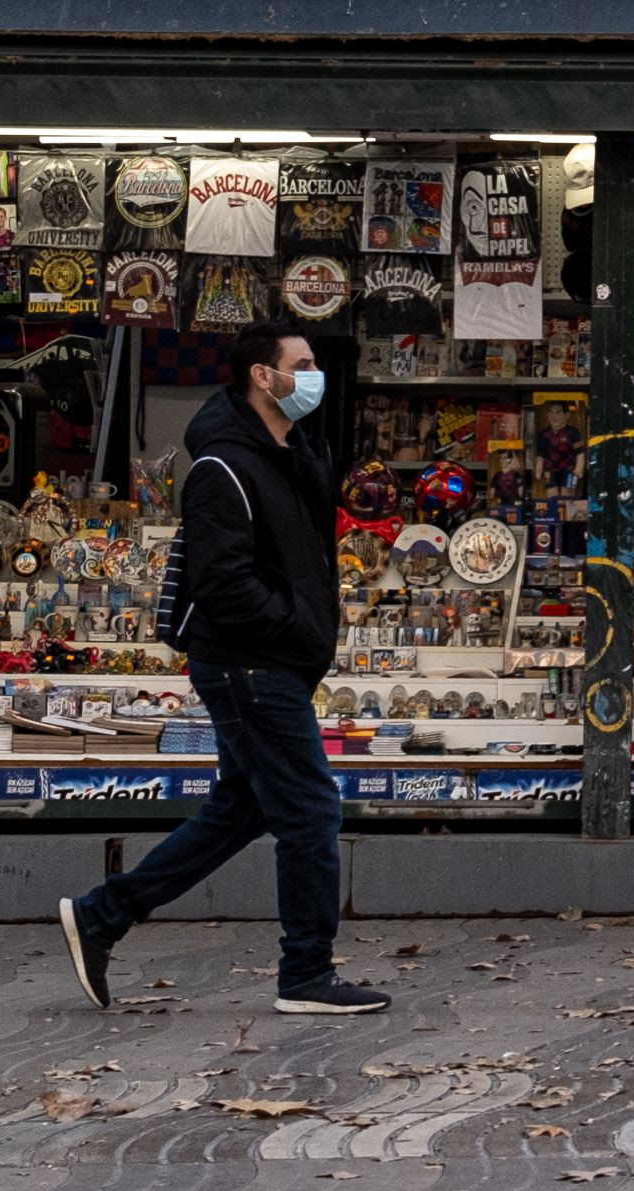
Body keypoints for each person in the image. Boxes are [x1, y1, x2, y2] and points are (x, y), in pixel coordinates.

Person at [58, 323, 387, 1016]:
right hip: (250, 665)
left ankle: (102, 916)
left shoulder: (294, 451)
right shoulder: (222, 468)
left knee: (241, 810)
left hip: (275, 662)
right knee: (310, 812)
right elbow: (225, 581)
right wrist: (296, 627)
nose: (314, 374)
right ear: (263, 378)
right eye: (301, 364)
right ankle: (306, 974)